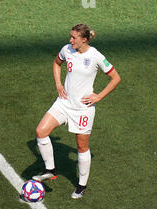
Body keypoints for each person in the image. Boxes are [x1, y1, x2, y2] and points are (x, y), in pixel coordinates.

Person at [32, 24, 121, 199]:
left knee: (81, 147)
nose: (70, 40)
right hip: (63, 104)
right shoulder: (67, 50)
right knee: (41, 131)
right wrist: (58, 84)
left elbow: (115, 78)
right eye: (70, 36)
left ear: (84, 39)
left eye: (74, 37)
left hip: (83, 110)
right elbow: (57, 63)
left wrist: (99, 96)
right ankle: (50, 170)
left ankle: (81, 185)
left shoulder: (95, 56)